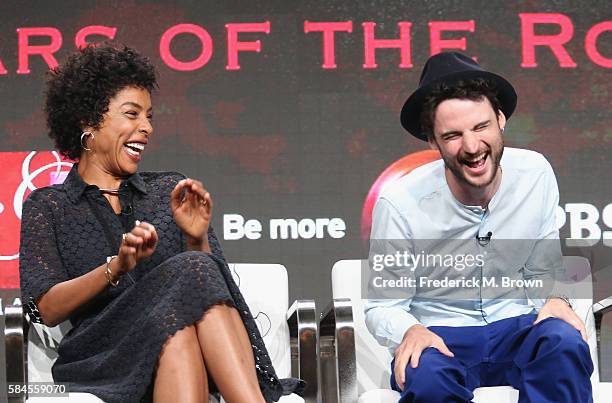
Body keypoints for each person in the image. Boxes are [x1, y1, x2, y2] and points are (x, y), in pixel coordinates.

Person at [19, 43, 302, 403]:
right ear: (88, 123)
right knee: (186, 285)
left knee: (180, 320)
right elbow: (42, 309)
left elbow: (215, 291)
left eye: (149, 116)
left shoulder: (169, 190)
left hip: (177, 340)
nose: (146, 127)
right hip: (102, 356)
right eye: (132, 114)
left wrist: (197, 238)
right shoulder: (49, 206)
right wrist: (117, 266)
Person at [365, 52, 593, 402]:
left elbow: (543, 269)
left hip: (517, 327)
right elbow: (382, 306)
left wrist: (555, 298)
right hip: (441, 336)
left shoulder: (536, 173)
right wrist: (409, 329)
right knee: (426, 378)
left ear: (500, 119)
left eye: (481, 126)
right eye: (453, 135)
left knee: (562, 344)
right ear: (433, 142)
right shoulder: (399, 201)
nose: (472, 147)